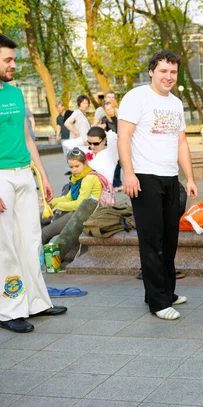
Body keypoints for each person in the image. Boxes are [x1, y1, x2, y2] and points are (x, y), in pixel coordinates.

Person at [118, 49, 198, 320]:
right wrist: (129, 174)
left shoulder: (175, 103)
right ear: (151, 71)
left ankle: (165, 292)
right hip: (144, 177)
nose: (168, 76)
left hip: (170, 178)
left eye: (173, 72)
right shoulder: (136, 97)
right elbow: (123, 138)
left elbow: (182, 142)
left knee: (170, 240)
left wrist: (190, 178)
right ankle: (158, 303)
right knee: (151, 241)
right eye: (163, 71)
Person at [0, 34, 67, 333]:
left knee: (30, 240)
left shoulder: (14, 94)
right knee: (6, 247)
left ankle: (37, 302)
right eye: (8, 60)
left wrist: (42, 174)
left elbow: (27, 138)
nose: (13, 65)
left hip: (24, 174)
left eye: (14, 59)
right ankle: (8, 308)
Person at [41, 149, 102, 244]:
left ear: (85, 163)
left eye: (77, 166)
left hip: (87, 214)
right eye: (71, 167)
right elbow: (68, 198)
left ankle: (39, 256)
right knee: (41, 219)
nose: (74, 170)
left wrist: (59, 206)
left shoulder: (89, 178)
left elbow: (79, 204)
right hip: (79, 211)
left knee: (45, 232)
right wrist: (48, 202)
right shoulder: (77, 177)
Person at [63, 95, 91, 175]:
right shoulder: (77, 113)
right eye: (83, 103)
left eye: (86, 103)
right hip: (80, 144)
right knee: (81, 165)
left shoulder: (83, 114)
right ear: (79, 104)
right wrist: (76, 132)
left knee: (85, 165)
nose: (85, 105)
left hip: (85, 143)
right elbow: (67, 123)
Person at [99, 102, 121, 188]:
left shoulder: (120, 116)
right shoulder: (105, 119)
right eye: (108, 110)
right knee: (116, 163)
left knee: (123, 162)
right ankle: (116, 182)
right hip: (112, 144)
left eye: (111, 108)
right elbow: (103, 130)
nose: (110, 111)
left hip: (122, 141)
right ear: (105, 111)